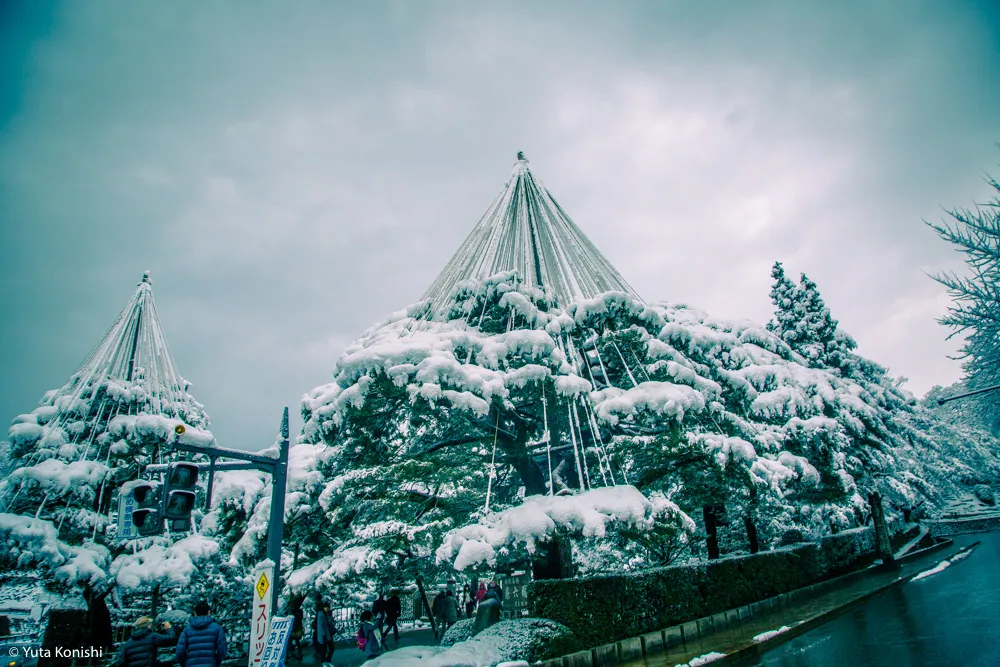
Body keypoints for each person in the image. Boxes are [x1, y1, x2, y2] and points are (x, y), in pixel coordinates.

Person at [175, 601, 226, 667]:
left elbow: (179, 653)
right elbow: (222, 651)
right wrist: (216, 663)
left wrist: (185, 664)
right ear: (209, 612)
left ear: (195, 613)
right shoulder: (217, 628)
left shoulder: (186, 630)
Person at [288, 595, 305, 660]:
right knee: (296, 640)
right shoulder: (299, 611)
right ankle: (298, 653)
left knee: (290, 640)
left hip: (294, 627)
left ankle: (291, 653)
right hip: (297, 627)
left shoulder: (294, 611)